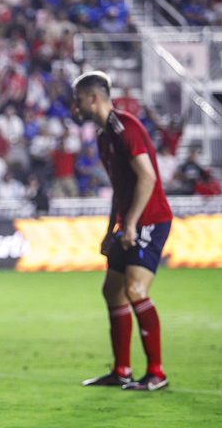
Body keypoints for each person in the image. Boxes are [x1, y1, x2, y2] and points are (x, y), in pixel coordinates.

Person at [72, 71, 172, 392]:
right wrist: (110, 228)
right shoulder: (104, 138)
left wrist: (129, 224)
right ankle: (121, 370)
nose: (76, 108)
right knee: (112, 290)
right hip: (127, 222)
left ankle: (156, 372)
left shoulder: (126, 127)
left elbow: (147, 178)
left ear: (93, 98)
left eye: (78, 101)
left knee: (135, 290)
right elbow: (120, 187)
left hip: (150, 220)